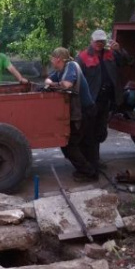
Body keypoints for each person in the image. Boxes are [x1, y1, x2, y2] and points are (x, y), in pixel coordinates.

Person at [45, 47, 98, 180]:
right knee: (81, 143)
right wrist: (54, 83)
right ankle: (89, 169)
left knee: (69, 144)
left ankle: (88, 172)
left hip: (85, 111)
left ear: (58, 59)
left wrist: (54, 84)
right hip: (82, 110)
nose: (51, 61)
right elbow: (47, 81)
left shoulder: (71, 66)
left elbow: (67, 84)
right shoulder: (60, 70)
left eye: (52, 58)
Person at [76, 29, 128, 163]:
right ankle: (89, 162)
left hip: (106, 100)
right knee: (88, 132)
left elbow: (126, 62)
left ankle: (94, 160)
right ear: (91, 41)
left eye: (102, 41)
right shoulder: (83, 57)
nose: (100, 43)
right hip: (91, 101)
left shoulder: (111, 54)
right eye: (97, 41)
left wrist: (119, 50)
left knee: (100, 132)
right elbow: (76, 78)